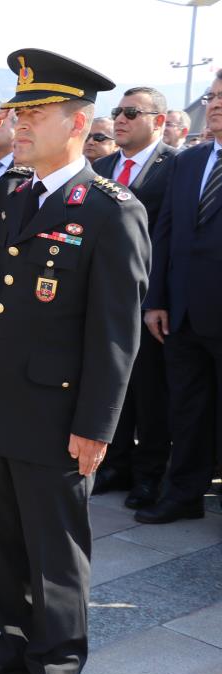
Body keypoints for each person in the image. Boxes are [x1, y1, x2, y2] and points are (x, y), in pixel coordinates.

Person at [0, 48, 149, 674]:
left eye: (35, 114)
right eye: (16, 112)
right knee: (0, 542)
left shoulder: (110, 209)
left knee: (55, 554)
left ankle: (56, 663)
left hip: (55, 414)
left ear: (77, 123)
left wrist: (96, 426)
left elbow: (116, 334)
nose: (19, 124)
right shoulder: (9, 192)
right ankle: (12, 643)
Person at [141, 70, 222, 525]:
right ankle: (183, 495)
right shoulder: (190, 162)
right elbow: (166, 232)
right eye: (212, 96)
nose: (215, 104)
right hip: (183, 313)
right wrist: (156, 300)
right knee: (187, 409)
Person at [92, 87, 177, 509]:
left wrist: (156, 298)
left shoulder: (175, 166)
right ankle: (115, 465)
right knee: (111, 388)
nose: (120, 120)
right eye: (117, 112)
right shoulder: (101, 167)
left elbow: (170, 238)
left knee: (150, 393)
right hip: (102, 298)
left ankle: (149, 475)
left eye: (131, 112)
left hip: (148, 302)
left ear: (158, 121)